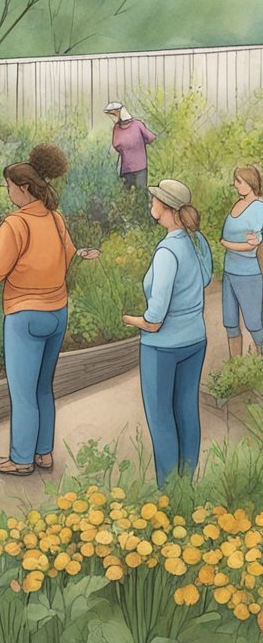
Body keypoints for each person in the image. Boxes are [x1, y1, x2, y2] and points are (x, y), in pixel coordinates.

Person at [0, 144, 99, 476]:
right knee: (43, 387)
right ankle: (43, 452)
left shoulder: (14, 225)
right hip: (56, 311)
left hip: (23, 314)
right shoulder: (56, 219)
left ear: (24, 188)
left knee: (22, 393)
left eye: (9, 187)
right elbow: (68, 256)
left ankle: (20, 459)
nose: (8, 194)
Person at [122, 179, 212, 487]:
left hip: (162, 346)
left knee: (161, 419)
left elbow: (155, 319)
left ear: (167, 209)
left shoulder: (166, 252)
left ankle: (168, 492)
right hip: (195, 339)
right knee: (187, 410)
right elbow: (206, 279)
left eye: (156, 200)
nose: (152, 204)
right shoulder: (197, 241)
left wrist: (131, 320)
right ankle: (186, 487)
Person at [218, 165, 263, 357]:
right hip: (230, 271)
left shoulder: (258, 208)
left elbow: (252, 244)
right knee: (230, 322)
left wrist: (226, 244)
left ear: (250, 183)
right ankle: (235, 367)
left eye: (239, 181)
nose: (235, 185)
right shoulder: (238, 204)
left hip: (248, 274)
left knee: (254, 323)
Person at [105, 101, 156, 192]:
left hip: (139, 167)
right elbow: (115, 145)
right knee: (129, 195)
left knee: (139, 194)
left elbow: (150, 138)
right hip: (127, 168)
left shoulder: (137, 125)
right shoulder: (117, 128)